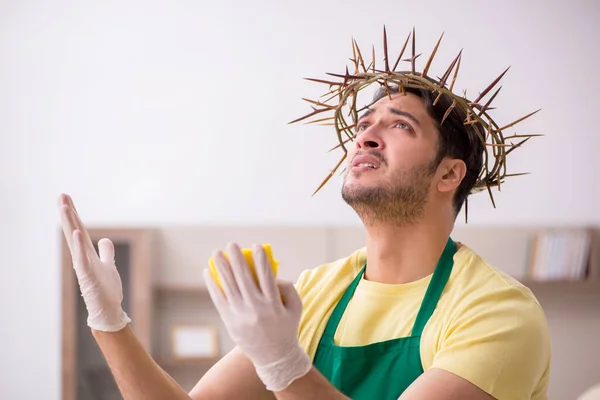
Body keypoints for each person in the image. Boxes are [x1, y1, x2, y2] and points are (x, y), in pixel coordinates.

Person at [58, 33, 551, 400]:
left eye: (400, 126)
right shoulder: (318, 291)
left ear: (449, 175)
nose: (367, 136)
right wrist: (108, 321)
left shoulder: (496, 311)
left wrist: (284, 362)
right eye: (364, 125)